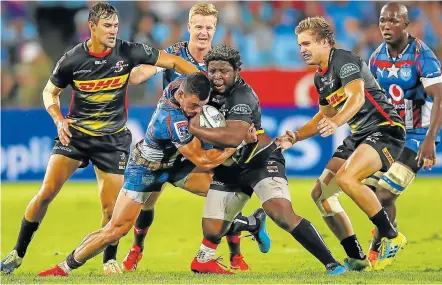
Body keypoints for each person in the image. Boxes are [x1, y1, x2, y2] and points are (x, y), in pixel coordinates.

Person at [0, 1, 200, 275]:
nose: (113, 31)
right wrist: (59, 120)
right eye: (107, 26)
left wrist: (204, 83)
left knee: (110, 209)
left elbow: (174, 61)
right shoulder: (72, 59)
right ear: (91, 27)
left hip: (113, 141)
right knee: (46, 193)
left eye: (116, 25)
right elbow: (49, 93)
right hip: (76, 135)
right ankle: (17, 252)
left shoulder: (128, 51)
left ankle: (109, 260)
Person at [37, 72, 265, 277]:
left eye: (201, 106)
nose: (197, 111)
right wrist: (235, 143)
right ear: (182, 95)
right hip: (146, 169)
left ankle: (246, 228)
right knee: (115, 230)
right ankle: (64, 268)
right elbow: (203, 160)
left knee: (221, 192)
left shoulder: (180, 85)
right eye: (194, 106)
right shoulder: (172, 119)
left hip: (175, 164)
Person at [186, 44, 347, 276]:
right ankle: (248, 227)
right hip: (229, 166)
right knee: (212, 230)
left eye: (224, 71)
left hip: (260, 161)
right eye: (212, 71)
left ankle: (332, 264)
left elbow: (233, 136)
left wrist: (196, 128)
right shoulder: (203, 89)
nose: (217, 76)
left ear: (236, 71)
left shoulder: (242, 95)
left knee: (281, 214)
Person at [124, 3, 254, 271]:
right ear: (189, 27)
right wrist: (140, 70)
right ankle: (136, 249)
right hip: (172, 138)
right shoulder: (173, 54)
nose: (204, 32)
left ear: (215, 29)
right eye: (199, 27)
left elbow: (235, 95)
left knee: (223, 193)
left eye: (209, 28)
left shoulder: (218, 62)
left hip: (207, 137)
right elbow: (141, 75)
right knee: (148, 200)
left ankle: (236, 255)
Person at [276, 16, 408, 271]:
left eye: (307, 44)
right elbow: (323, 116)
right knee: (321, 194)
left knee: (348, 179)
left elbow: (356, 98)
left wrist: (336, 123)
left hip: (385, 129)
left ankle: (392, 237)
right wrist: (296, 136)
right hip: (359, 136)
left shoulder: (344, 60)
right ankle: (356, 257)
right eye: (300, 45)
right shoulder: (320, 77)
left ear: (325, 42)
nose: (301, 49)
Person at [365, 3, 442, 264]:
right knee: (367, 188)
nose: (387, 26)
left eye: (394, 21)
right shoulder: (376, 58)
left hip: (419, 135)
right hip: (391, 134)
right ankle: (384, 238)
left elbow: (439, 97)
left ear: (406, 25)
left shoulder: (422, 55)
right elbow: (374, 100)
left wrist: (431, 139)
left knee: (385, 193)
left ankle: (385, 241)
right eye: (383, 21)